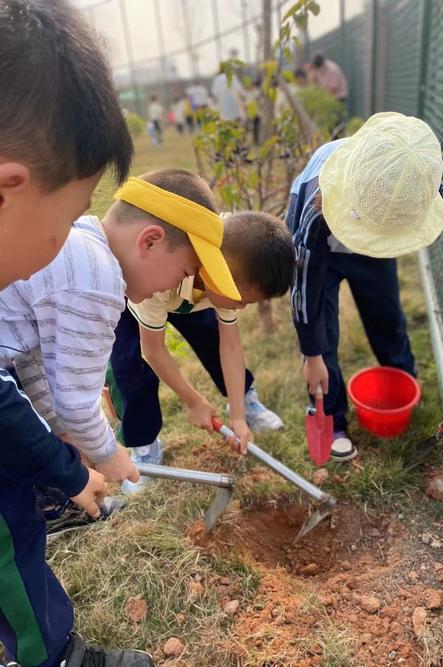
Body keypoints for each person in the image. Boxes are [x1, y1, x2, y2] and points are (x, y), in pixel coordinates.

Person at [0, 1, 155, 666]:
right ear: (8, 187)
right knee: (11, 542)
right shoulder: (91, 275)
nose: (64, 242)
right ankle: (49, 655)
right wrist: (74, 470)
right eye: (65, 219)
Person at [0, 168, 241, 488]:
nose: (178, 284)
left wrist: (64, 432)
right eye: (185, 271)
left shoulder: (81, 244)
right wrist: (108, 453)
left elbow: (32, 358)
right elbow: (76, 402)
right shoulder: (98, 281)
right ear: (151, 241)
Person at [286, 111, 443, 462]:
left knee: (386, 317)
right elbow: (303, 288)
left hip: (377, 244)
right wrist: (311, 353)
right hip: (325, 248)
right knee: (323, 330)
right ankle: (331, 414)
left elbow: (429, 201)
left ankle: (402, 385)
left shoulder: (402, 179)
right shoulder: (313, 206)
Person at [107, 210, 295, 493]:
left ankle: (245, 398)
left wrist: (238, 417)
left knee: (212, 335)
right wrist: (193, 401)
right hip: (135, 290)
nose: (242, 308)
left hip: (194, 289)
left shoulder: (232, 258)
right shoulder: (160, 279)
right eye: (242, 301)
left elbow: (229, 345)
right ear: (218, 276)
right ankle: (144, 443)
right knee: (127, 370)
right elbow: (154, 351)